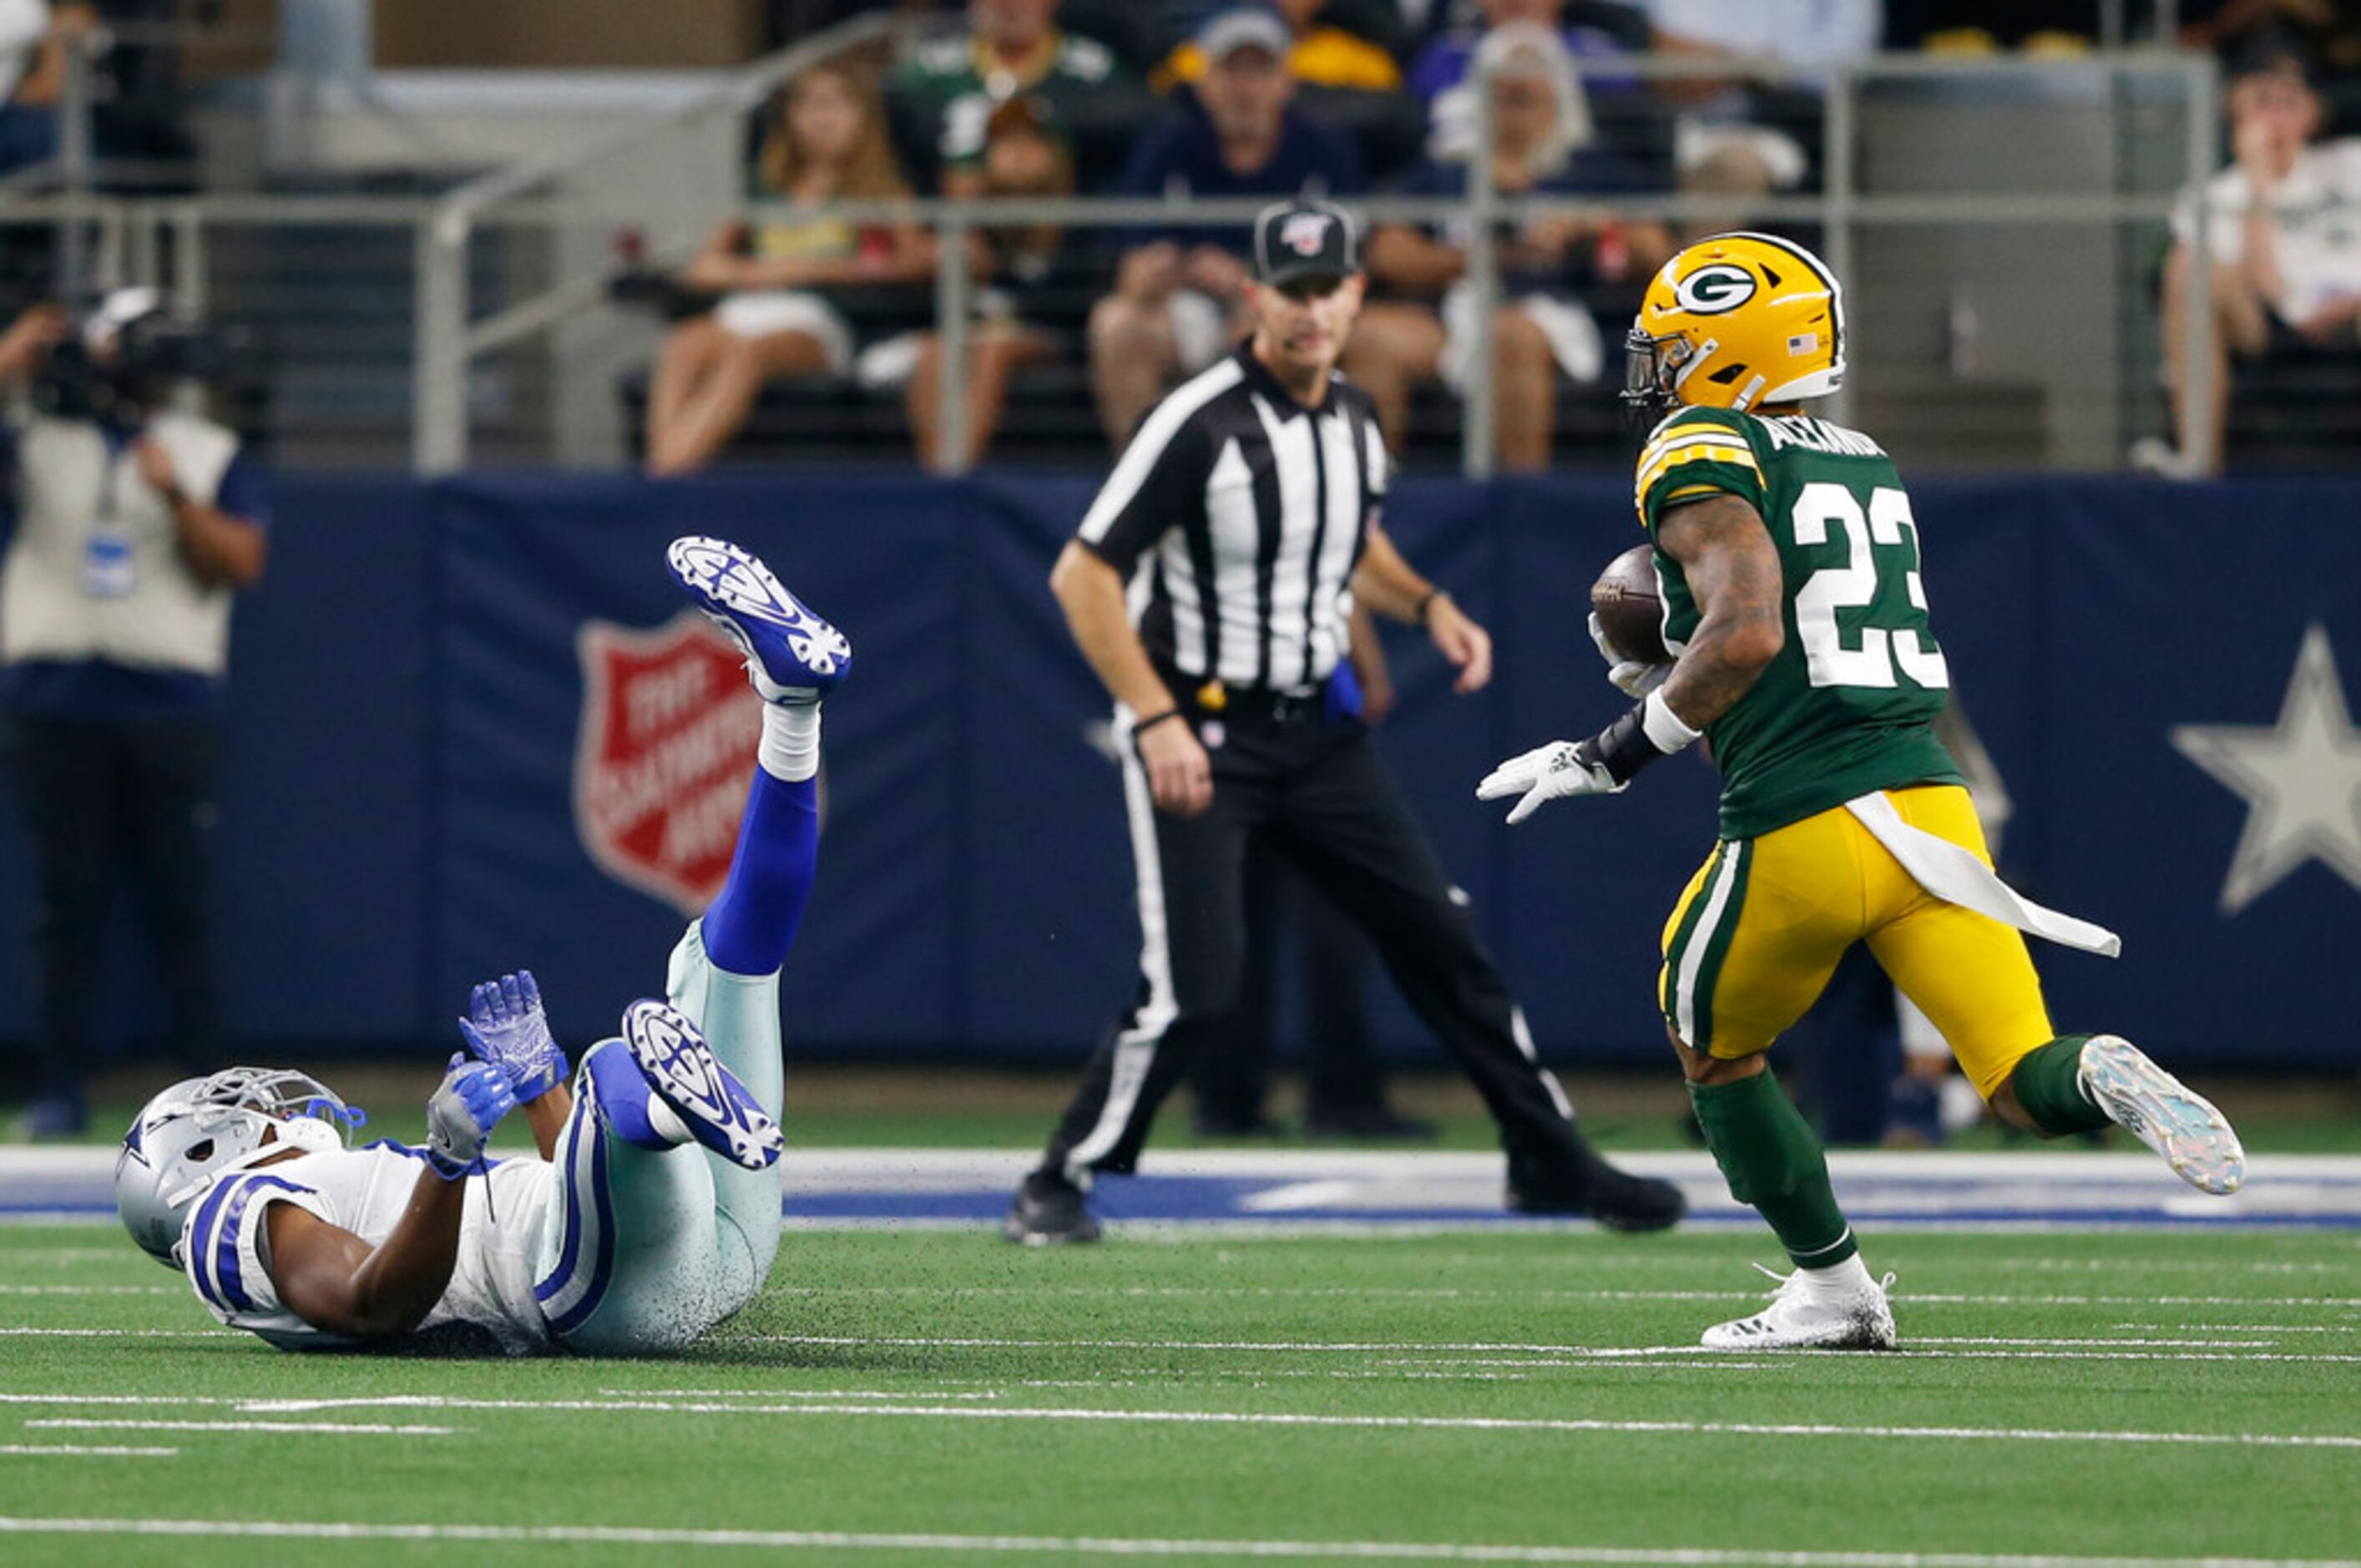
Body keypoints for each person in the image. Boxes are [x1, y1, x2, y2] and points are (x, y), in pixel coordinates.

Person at [1476, 231, 2247, 1350]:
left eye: (1676, 343)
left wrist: (1607, 748)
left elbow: (1746, 636)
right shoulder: (1859, 453)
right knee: (2025, 1080)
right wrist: (1675, 650)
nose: (1658, 365)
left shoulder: (1698, 441)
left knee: (1712, 1044)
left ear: (1727, 353)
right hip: (1931, 808)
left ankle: (1834, 1288)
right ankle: (2104, 1071)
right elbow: (1766, 641)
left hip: (1807, 821)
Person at [1004, 198, 1686, 1245]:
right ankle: (1061, 1176)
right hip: (1201, 727)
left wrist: (1426, 605)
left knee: (1444, 942)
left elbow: (1344, 543)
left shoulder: (1352, 418)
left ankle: (1549, 1159)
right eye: (1293, 286)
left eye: (1330, 287)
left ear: (1356, 294)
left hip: (1316, 738)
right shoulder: (1199, 421)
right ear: (1255, 294)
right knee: (1195, 987)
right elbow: (1083, 572)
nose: (1312, 307)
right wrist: (1153, 718)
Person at [113, 535, 847, 1354]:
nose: (265, 1102)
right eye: (238, 1105)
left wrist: (539, 1092)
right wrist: (446, 1162)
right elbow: (370, 1305)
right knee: (616, 1064)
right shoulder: (226, 1217)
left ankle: (789, 706)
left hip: (681, 1254)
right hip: (593, 1292)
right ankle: (672, 1105)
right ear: (200, 1151)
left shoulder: (311, 1193)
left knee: (727, 956)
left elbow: (565, 1200)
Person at [0, 291, 266, 1139]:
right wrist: (18, 353)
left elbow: (243, 561)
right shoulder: (41, 437)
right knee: (64, 901)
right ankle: (60, 1084)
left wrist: (179, 499)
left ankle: (210, 1090)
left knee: (178, 900)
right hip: (58, 698)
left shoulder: (205, 448)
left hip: (166, 703)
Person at [1344, 23, 1672, 468]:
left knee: (1510, 333)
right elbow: (1387, 250)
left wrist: (1589, 226)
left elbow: (1657, 251)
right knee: (1370, 335)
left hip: (1555, 314)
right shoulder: (1450, 169)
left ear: (1557, 93)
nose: (1516, 104)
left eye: (1528, 91)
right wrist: (1473, 259)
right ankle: (1377, 497)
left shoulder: (1587, 167)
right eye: (1505, 92)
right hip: (1456, 310)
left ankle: (1518, 500)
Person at [1088, 8, 1366, 446]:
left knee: (1278, 330)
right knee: (1117, 324)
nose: (1245, 89)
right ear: (1204, 83)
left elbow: (1344, 270)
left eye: (1260, 71)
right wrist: (1183, 270)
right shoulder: (1165, 148)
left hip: (1289, 309)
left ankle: (1303, 483)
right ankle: (1143, 479)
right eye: (1231, 72)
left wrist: (1250, 286)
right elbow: (1134, 277)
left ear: (1285, 83)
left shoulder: (1324, 150)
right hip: (1187, 307)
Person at [645, 63, 934, 476]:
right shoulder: (766, 190)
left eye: (836, 104)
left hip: (819, 321)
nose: (822, 118)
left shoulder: (884, 193)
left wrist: (814, 269)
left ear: (863, 117)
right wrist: (761, 274)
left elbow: (916, 261)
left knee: (744, 357)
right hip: (749, 307)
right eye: (809, 104)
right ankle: (660, 467)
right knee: (684, 344)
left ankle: (665, 480)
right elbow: (704, 267)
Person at [2144, 36, 2361, 478]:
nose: (2275, 116)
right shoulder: (2213, 196)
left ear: (2314, 113)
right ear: (2234, 110)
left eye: (2289, 101)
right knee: (2190, 271)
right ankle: (2198, 464)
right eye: (2261, 100)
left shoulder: (2352, 164)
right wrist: (2260, 187)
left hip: (2352, 317)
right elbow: (2269, 290)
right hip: (2266, 327)